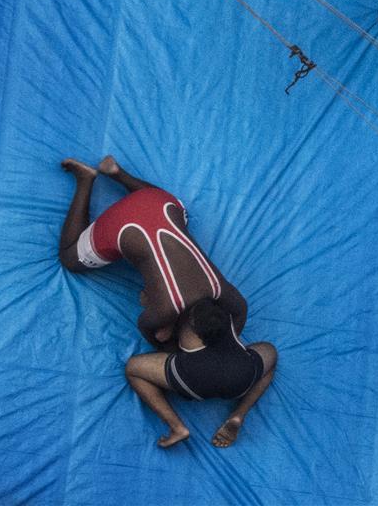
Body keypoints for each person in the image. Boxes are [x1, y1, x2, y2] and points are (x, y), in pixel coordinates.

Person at [58, 155, 247, 349]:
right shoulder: (165, 310)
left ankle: (117, 173)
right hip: (123, 222)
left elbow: (241, 312)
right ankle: (85, 179)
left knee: (180, 215)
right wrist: (175, 351)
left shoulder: (220, 289)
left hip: (160, 203)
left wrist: (231, 341)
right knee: (69, 258)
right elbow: (148, 330)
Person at [124, 298, 277, 448]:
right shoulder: (228, 315)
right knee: (270, 351)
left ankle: (177, 427)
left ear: (196, 331)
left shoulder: (188, 332)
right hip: (241, 378)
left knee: (133, 368)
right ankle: (238, 415)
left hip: (195, 382)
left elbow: (161, 336)